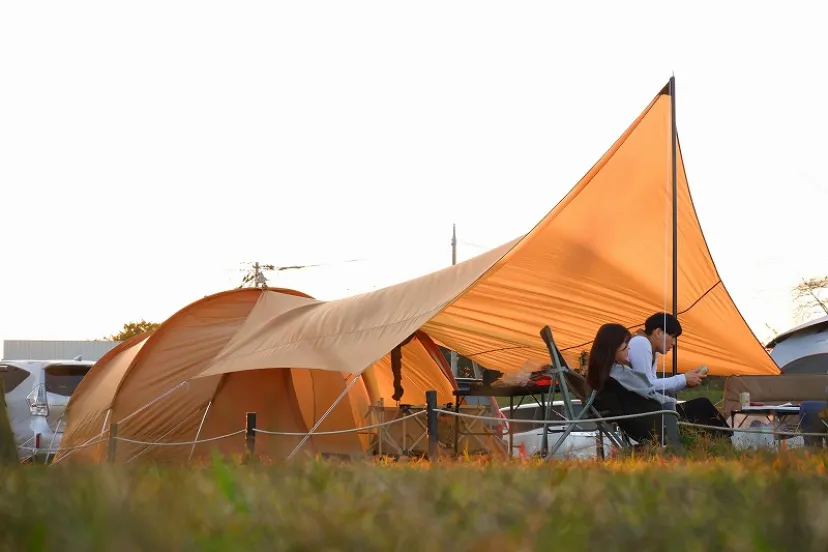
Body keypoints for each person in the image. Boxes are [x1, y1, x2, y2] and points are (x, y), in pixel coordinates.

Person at [628, 313, 731, 440]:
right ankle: (725, 444)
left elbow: (653, 385)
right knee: (701, 406)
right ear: (659, 332)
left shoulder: (650, 349)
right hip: (639, 413)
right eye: (672, 336)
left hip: (647, 408)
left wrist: (685, 383)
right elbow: (646, 385)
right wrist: (682, 379)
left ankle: (721, 444)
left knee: (701, 406)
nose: (674, 343)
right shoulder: (641, 343)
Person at [586, 323, 682, 449]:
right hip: (654, 422)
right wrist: (673, 399)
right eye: (626, 344)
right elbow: (649, 391)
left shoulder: (601, 375)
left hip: (639, 424)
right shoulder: (619, 373)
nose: (629, 349)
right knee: (701, 406)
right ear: (614, 346)